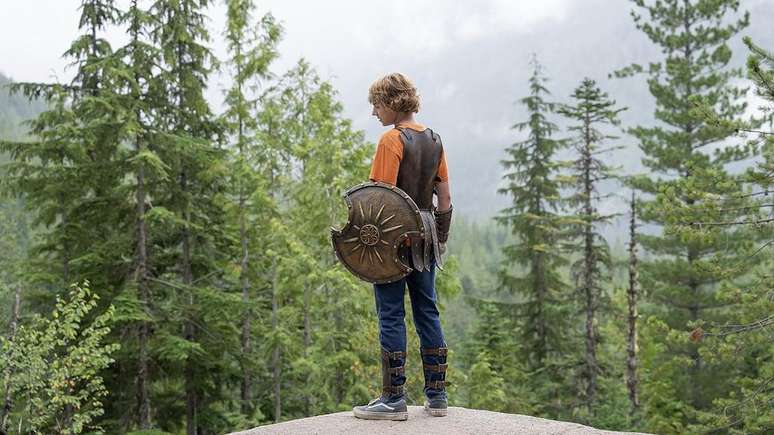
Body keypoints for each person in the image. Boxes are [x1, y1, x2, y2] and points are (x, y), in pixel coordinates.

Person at [352, 73, 453, 421]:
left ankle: (393, 399)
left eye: (377, 105)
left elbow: (379, 199)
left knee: (391, 312)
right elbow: (445, 198)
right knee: (428, 310)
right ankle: (437, 395)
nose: (375, 113)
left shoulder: (391, 141)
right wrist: (439, 239)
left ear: (392, 102)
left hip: (393, 238)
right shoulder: (435, 140)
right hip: (424, 234)